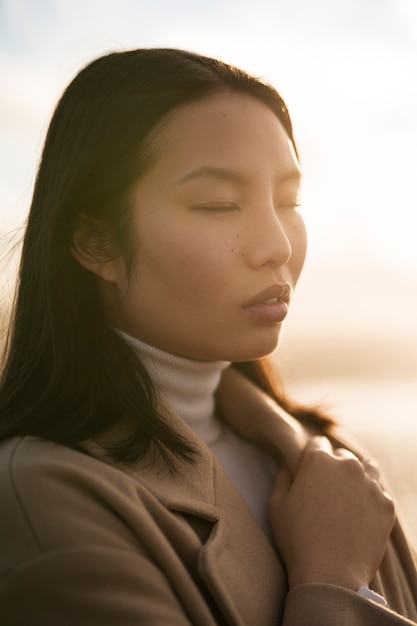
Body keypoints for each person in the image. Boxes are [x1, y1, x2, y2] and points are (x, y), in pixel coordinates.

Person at [0, 48, 416, 626]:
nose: (276, 245)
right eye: (219, 205)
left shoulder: (333, 461)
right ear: (96, 243)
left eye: (288, 201)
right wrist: (331, 583)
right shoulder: (38, 498)